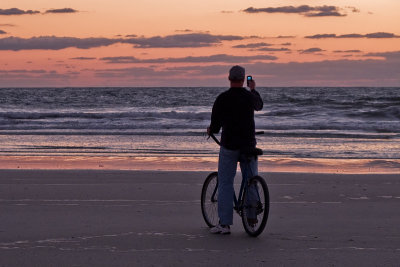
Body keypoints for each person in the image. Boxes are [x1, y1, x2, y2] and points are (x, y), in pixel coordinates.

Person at [207, 65, 263, 234]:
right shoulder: (249, 97)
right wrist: (253, 90)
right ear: (244, 79)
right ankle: (252, 219)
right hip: (248, 145)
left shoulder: (222, 98)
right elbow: (259, 105)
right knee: (251, 180)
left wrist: (211, 129)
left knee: (225, 182)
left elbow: (216, 125)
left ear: (229, 79)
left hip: (229, 145)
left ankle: (224, 224)